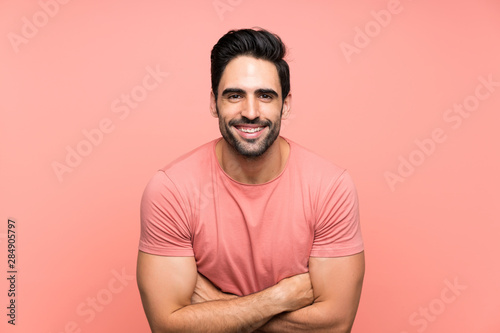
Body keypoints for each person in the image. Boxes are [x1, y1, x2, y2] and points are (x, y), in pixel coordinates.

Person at [136, 28, 365, 332]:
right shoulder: (171, 190)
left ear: (285, 104)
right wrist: (277, 298)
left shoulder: (330, 187)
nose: (251, 112)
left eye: (265, 96)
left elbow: (335, 325)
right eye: (234, 95)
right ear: (213, 103)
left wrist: (215, 307)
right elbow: (168, 328)